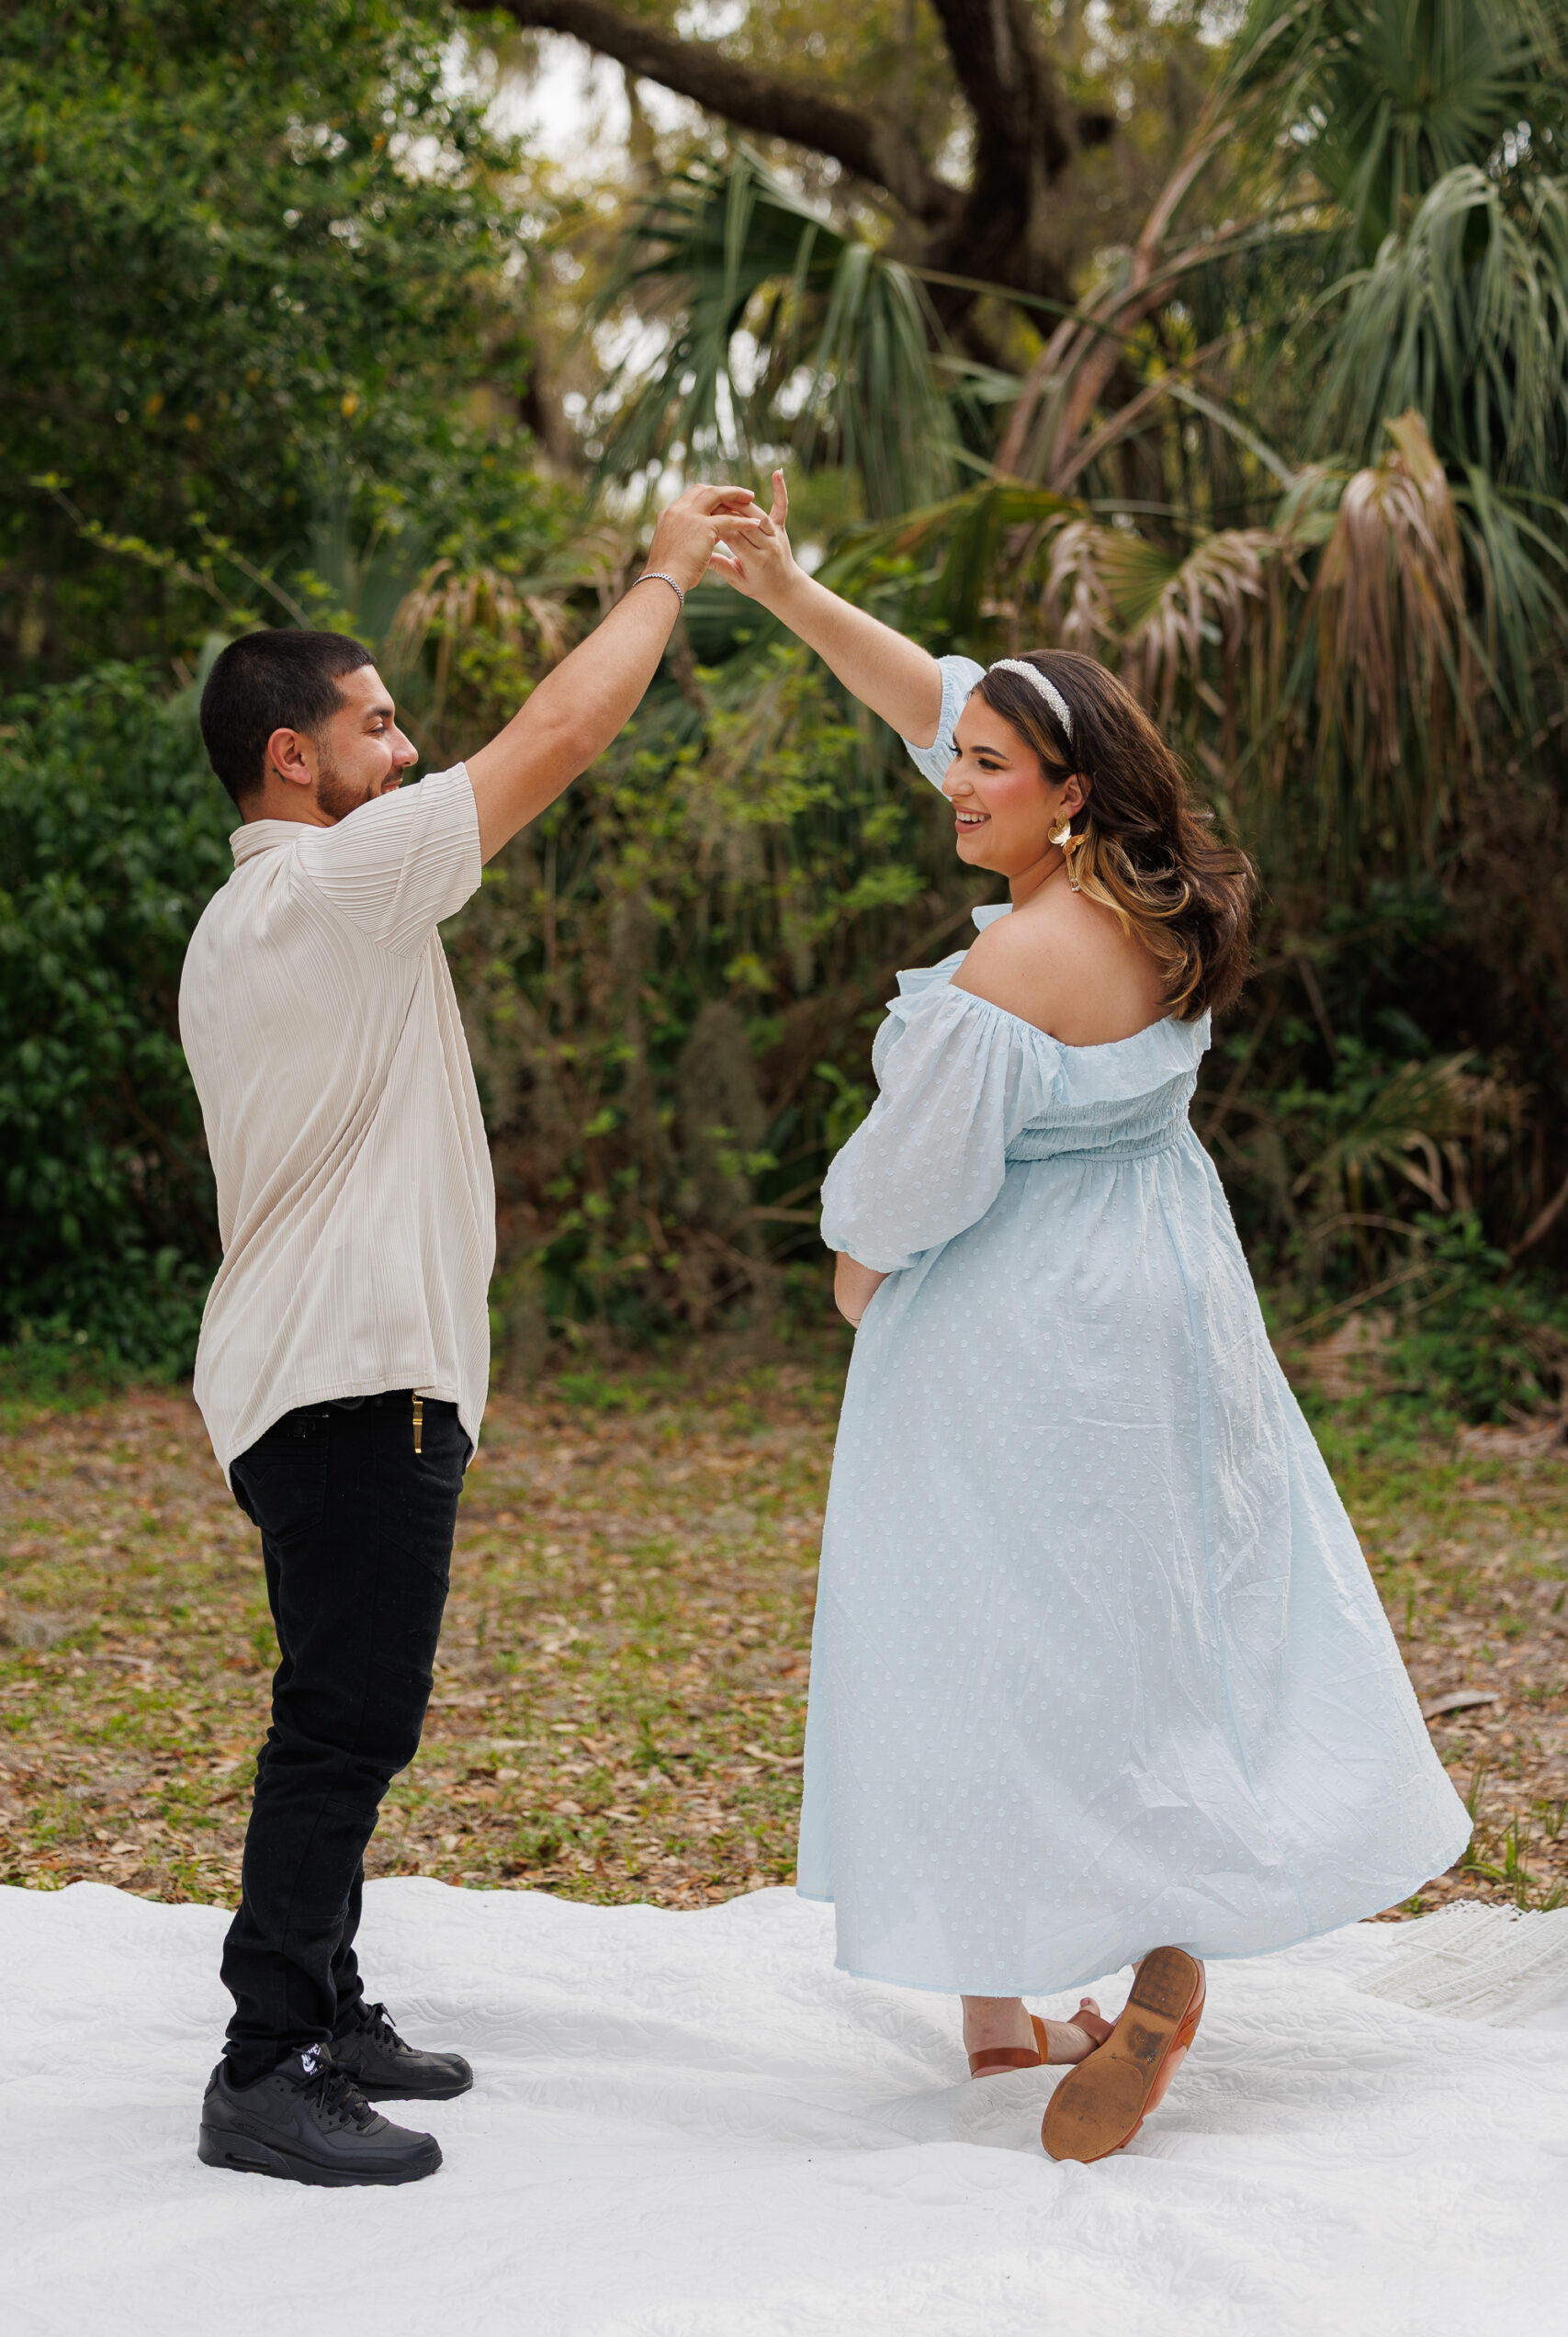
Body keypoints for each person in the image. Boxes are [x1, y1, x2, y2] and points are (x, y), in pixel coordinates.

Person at [711, 475, 1470, 2163]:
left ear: (1065, 792)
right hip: (1167, 1294)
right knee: (1157, 1621)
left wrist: (853, 1272)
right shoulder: (1158, 903)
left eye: (988, 767)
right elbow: (936, 698)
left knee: (980, 1637)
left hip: (1015, 1325)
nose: (954, 778)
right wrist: (791, 593)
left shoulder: (1008, 976)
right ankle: (1039, 2004)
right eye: (960, 756)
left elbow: (904, 1189)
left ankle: (1056, 1972)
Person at [180, 483, 767, 2187]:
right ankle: (267, 2062)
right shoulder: (337, 886)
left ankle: (329, 2001)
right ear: (293, 757)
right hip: (354, 1381)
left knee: (338, 1702)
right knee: (347, 1723)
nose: (407, 745)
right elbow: (560, 734)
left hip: (311, 1378)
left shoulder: (256, 917)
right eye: (376, 724)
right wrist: (667, 572)